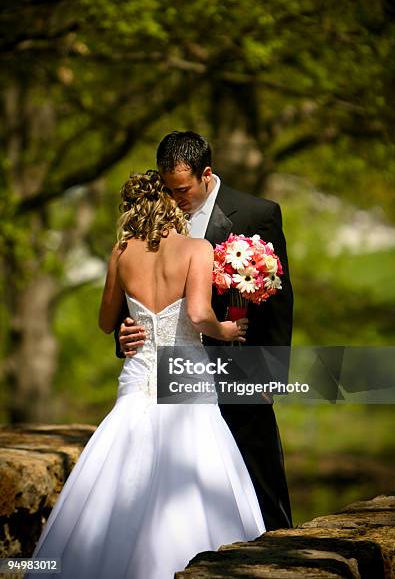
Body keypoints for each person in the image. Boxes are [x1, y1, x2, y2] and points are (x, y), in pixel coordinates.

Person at [25, 170, 265, 579]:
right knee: (199, 469)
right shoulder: (196, 248)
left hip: (138, 375)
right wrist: (226, 329)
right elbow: (198, 315)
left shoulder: (122, 253)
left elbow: (105, 321)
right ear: (170, 203)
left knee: (118, 475)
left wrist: (126, 326)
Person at [118, 131, 294, 531]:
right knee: (177, 480)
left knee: (260, 479)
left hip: (239, 367)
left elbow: (280, 302)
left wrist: (270, 375)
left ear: (206, 174)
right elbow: (135, 287)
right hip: (171, 368)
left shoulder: (257, 214)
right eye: (167, 189)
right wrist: (126, 332)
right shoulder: (152, 222)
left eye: (181, 190)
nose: (174, 199)